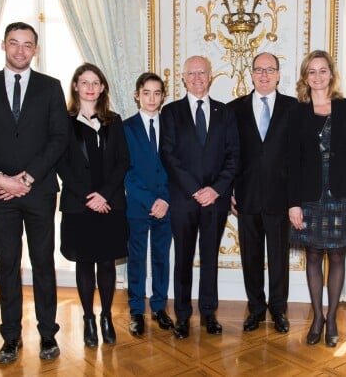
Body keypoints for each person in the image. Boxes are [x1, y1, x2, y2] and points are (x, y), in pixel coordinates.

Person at [0, 22, 69, 363]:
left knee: (43, 265)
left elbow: (59, 139)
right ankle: (10, 338)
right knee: (7, 265)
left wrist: (24, 181)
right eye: (14, 43)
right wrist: (0, 178)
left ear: (35, 50)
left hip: (39, 193)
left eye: (28, 45)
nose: (21, 50)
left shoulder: (51, 87)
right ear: (3, 45)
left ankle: (47, 335)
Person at [289, 50, 346, 347]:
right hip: (308, 193)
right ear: (305, 77)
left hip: (342, 190)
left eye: (323, 71)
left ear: (331, 75)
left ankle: (333, 316)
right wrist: (293, 202)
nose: (318, 76)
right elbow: (292, 160)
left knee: (337, 255)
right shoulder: (296, 112)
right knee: (312, 255)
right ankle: (317, 317)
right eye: (312, 71)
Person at [160, 55, 239, 339]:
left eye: (201, 73)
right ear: (183, 78)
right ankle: (182, 316)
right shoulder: (170, 112)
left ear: (210, 76)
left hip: (216, 200)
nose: (196, 78)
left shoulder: (225, 112)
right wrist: (196, 189)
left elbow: (233, 156)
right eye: (191, 74)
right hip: (183, 199)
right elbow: (168, 155)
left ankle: (209, 313)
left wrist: (215, 189)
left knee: (209, 258)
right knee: (182, 258)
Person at [57, 63, 129, 347]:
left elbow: (123, 161)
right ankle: (88, 318)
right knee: (85, 262)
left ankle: (107, 317)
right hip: (79, 204)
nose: (89, 87)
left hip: (111, 204)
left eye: (95, 82)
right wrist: (90, 196)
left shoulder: (114, 120)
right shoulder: (62, 121)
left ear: (102, 88)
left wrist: (105, 195)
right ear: (75, 86)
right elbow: (61, 163)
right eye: (84, 81)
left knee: (107, 262)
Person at [227, 52, 297, 334]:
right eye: (259, 70)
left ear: (279, 74)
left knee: (279, 258)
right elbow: (229, 155)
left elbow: (298, 158)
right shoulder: (235, 109)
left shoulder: (294, 108)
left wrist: (296, 199)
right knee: (251, 257)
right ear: (251, 74)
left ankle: (279, 310)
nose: (265, 75)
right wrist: (229, 190)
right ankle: (255, 309)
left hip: (281, 199)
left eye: (270, 70)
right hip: (246, 197)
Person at [123, 72, 174, 336]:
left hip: (166, 205)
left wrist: (165, 199)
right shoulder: (125, 128)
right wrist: (149, 199)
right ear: (137, 95)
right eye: (146, 93)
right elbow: (125, 172)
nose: (151, 98)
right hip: (138, 206)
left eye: (157, 93)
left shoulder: (172, 125)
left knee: (161, 258)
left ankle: (158, 307)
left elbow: (177, 167)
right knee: (137, 258)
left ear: (163, 96)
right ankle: (135, 310)